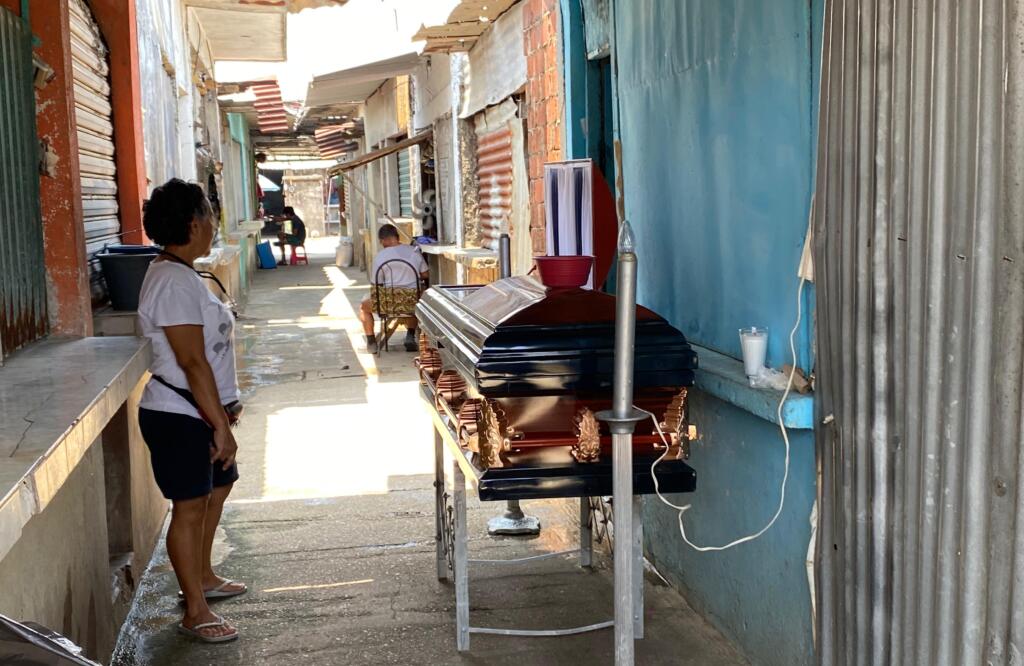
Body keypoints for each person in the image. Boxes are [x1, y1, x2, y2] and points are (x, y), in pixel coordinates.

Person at [137, 179, 245, 644]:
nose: (213, 223)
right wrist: (219, 424)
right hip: (180, 414)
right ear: (194, 222)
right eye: (209, 213)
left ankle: (202, 576)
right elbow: (192, 360)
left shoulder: (183, 274)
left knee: (215, 491)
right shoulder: (170, 280)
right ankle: (194, 611)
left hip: (199, 411)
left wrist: (222, 413)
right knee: (188, 506)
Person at [359, 223, 428, 353]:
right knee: (416, 298)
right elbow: (425, 274)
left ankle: (371, 341)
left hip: (387, 304)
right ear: (397, 237)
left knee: (363, 307)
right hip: (412, 301)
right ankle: (410, 335)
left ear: (383, 240)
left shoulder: (380, 256)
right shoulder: (414, 251)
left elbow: (376, 284)